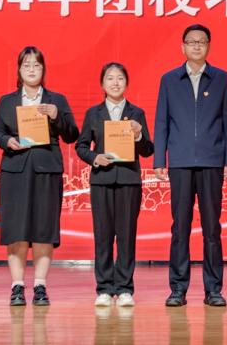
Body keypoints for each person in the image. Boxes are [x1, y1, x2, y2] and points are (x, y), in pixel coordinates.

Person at [153, 24, 227, 307]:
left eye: (202, 41)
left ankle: (213, 289)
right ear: (183, 47)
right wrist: (159, 159)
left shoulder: (222, 79)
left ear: (209, 46)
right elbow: (162, 121)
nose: (197, 46)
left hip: (212, 161)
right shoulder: (169, 80)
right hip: (180, 162)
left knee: (212, 228)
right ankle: (178, 288)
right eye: (191, 42)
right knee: (180, 228)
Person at [0, 46, 79, 306]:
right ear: (19, 70)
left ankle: (40, 286)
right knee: (16, 229)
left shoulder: (56, 100)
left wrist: (56, 116)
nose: (31, 69)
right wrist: (7, 141)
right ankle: (17, 286)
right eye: (26, 65)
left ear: (43, 69)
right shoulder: (7, 101)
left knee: (43, 229)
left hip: (46, 170)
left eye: (36, 65)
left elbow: (72, 135)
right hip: (15, 170)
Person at [75, 62, 154, 307]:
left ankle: (125, 288)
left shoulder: (137, 113)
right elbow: (81, 146)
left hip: (129, 180)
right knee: (103, 236)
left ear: (126, 83)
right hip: (102, 180)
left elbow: (148, 150)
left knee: (127, 236)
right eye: (110, 78)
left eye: (120, 78)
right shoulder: (93, 113)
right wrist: (94, 157)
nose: (115, 82)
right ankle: (104, 289)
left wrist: (139, 134)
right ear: (102, 84)